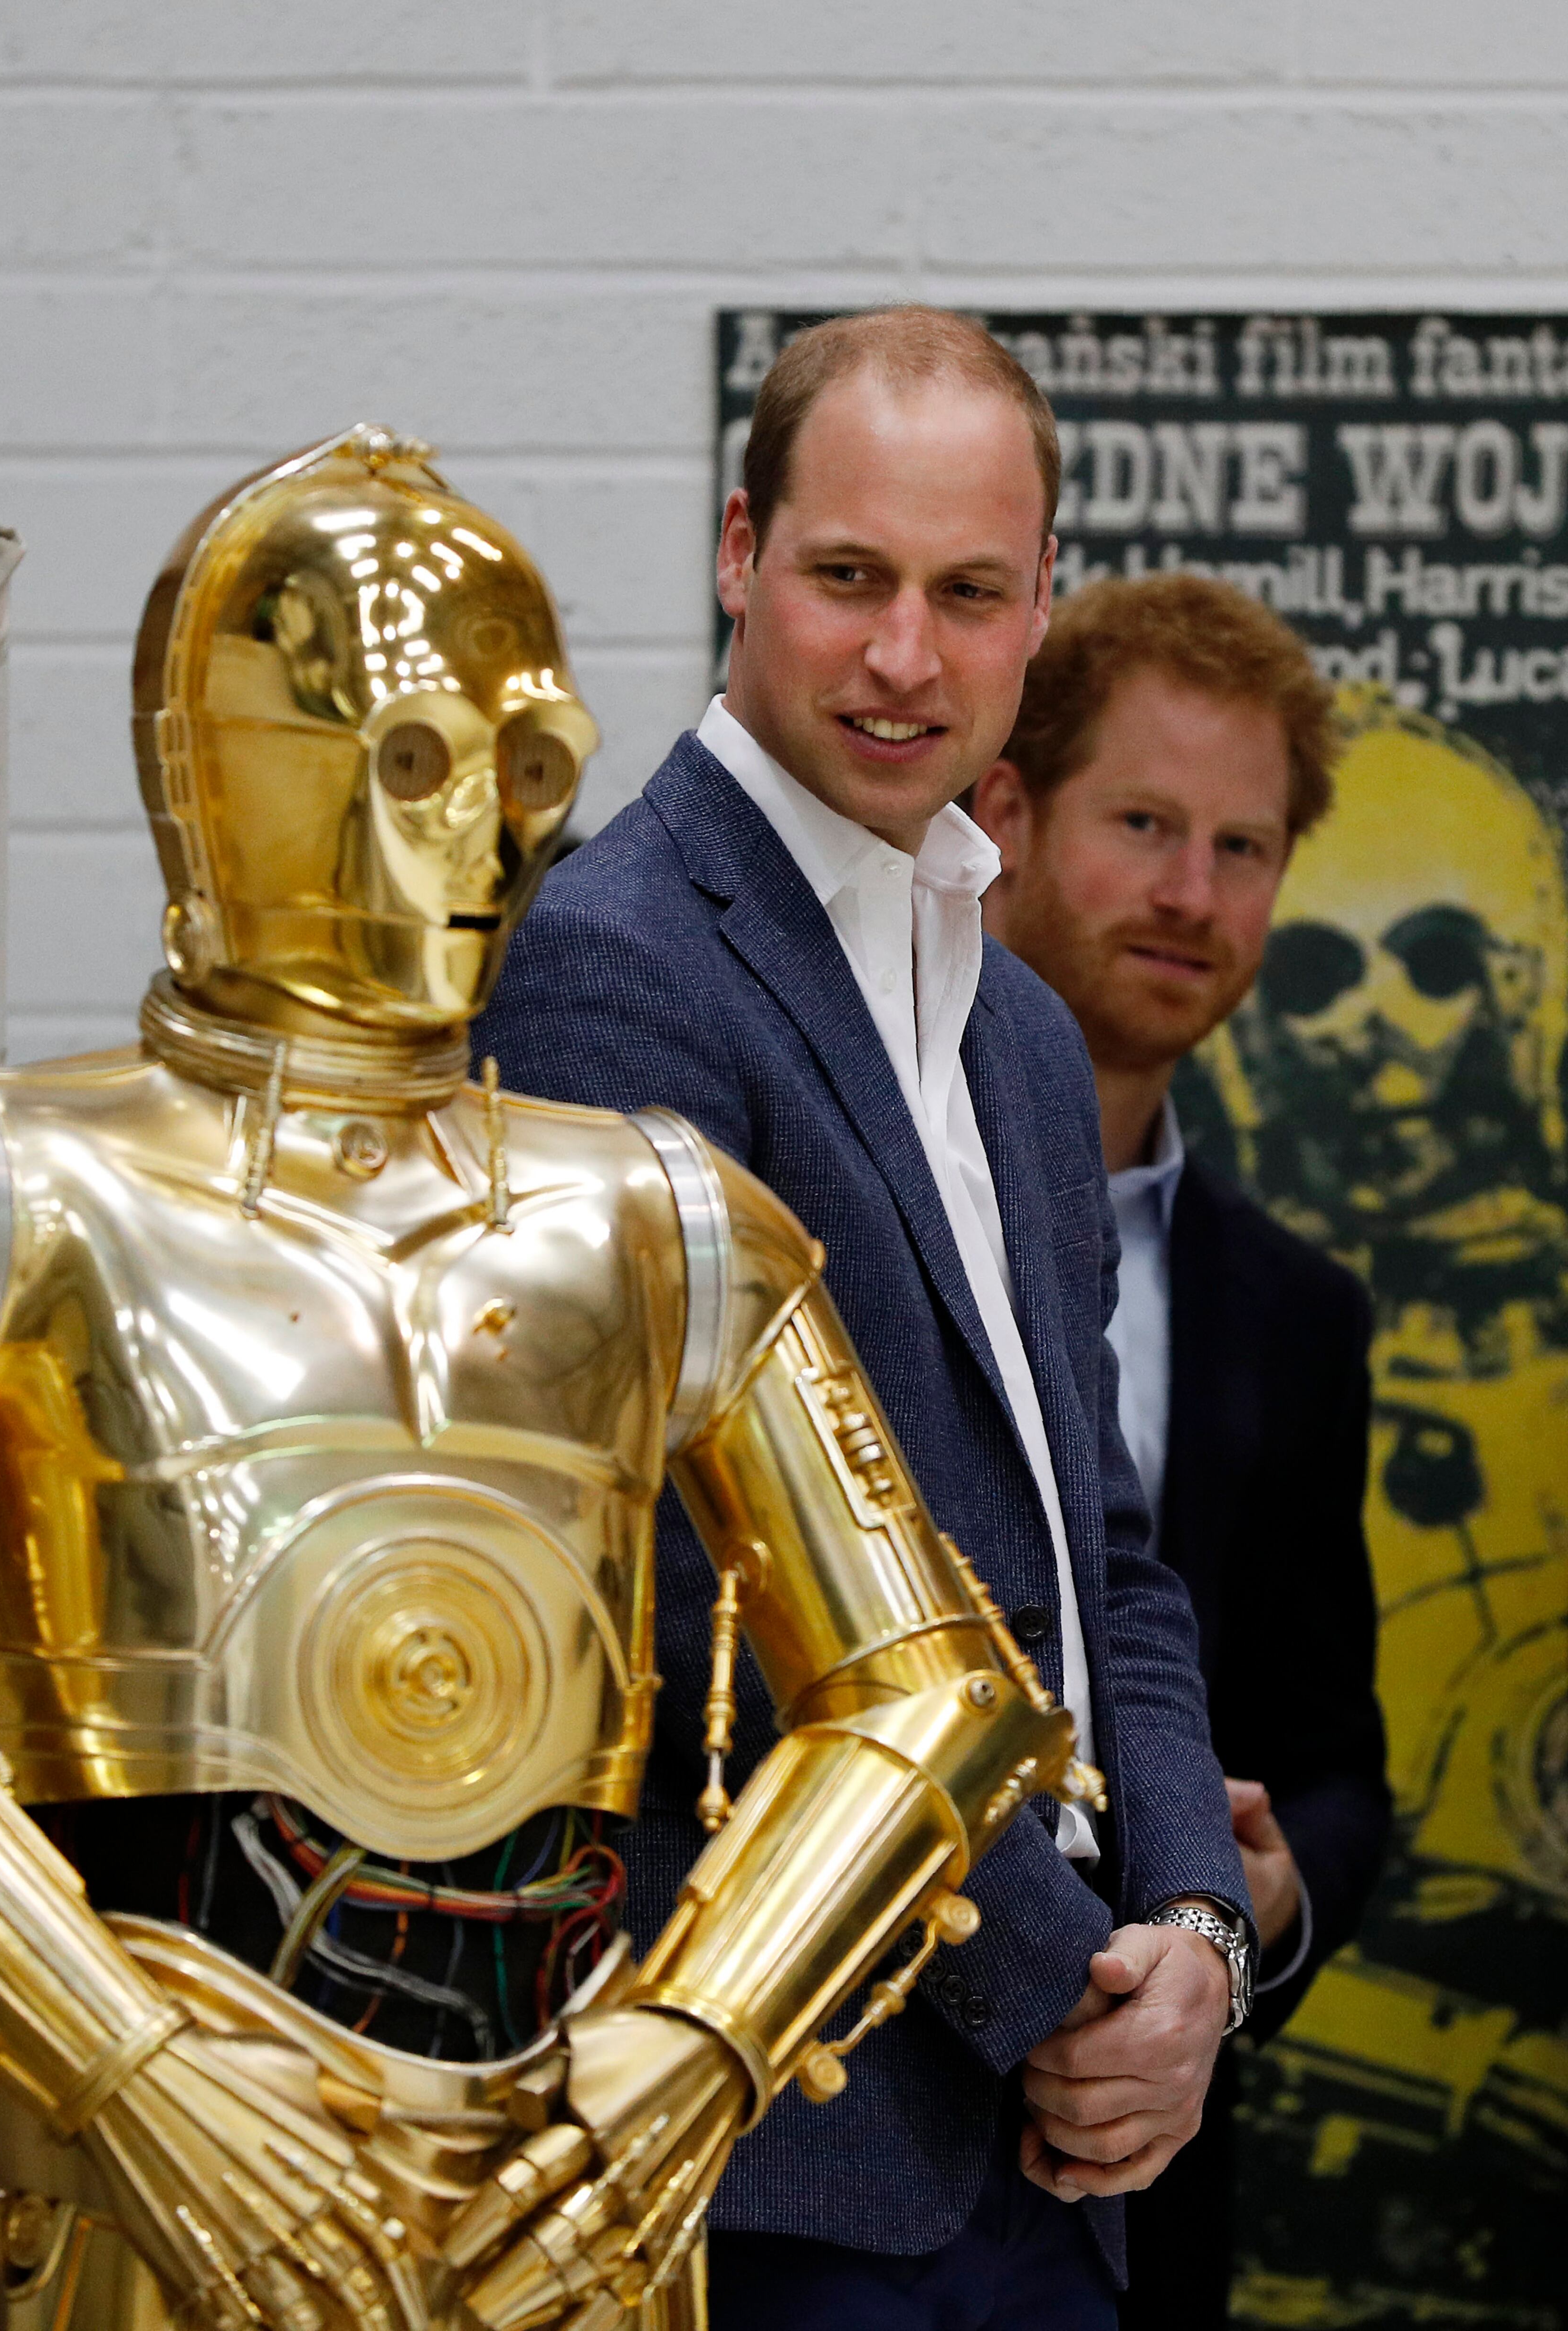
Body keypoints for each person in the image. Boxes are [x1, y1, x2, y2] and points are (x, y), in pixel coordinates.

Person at [0, 427, 1105, 2331]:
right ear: (223, 763)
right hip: (141, 2200)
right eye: (407, 760)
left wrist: (698, 2043)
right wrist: (115, 2057)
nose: (480, 830)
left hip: (577, 2190)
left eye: (526, 767)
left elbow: (937, 1688)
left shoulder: (663, 1218)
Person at [475, 307, 1252, 2329]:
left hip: (1044, 2154)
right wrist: (1068, 1983)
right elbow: (691, 1590)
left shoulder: (1021, 1034)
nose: (907, 655)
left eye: (968, 593)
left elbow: (1106, 1565)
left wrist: (1193, 1935)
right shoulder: (613, 965)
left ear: (1039, 605)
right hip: (781, 2146)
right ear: (741, 553)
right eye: (851, 576)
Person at [970, 573, 1393, 2325]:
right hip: (820, 2142)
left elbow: (1337, 1763)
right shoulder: (809, 1189)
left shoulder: (1297, 1315)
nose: (1190, 895)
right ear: (1005, 813)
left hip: (1146, 2203)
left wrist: (1265, 1904)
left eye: (1242, 847)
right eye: (1142, 823)